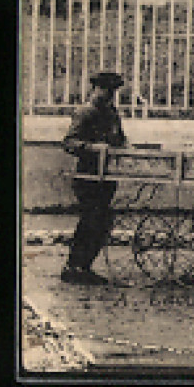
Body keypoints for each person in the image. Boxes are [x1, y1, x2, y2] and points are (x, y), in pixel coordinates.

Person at [60, 71, 127, 285]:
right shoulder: (85, 112)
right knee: (90, 219)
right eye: (105, 90)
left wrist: (125, 147)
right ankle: (74, 267)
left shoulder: (112, 113)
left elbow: (120, 139)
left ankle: (84, 266)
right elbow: (69, 142)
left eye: (112, 92)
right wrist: (91, 148)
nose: (108, 95)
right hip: (87, 176)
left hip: (106, 176)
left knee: (103, 221)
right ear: (95, 89)